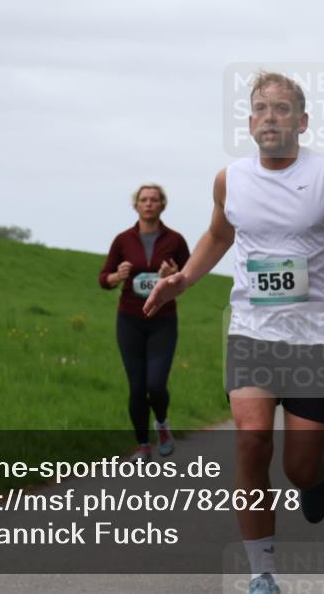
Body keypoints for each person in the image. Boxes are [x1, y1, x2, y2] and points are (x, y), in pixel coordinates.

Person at [143, 72, 324, 594]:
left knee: (299, 468)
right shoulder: (230, 179)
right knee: (252, 442)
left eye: (281, 109)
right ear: (250, 123)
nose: (269, 117)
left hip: (315, 338)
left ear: (302, 121)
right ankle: (262, 573)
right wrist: (183, 279)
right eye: (260, 108)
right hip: (252, 332)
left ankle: (318, 476)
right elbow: (218, 234)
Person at [99, 184, 189, 463]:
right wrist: (117, 276)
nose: (148, 204)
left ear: (163, 205)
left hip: (162, 321)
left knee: (156, 384)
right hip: (130, 321)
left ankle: (161, 425)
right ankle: (141, 445)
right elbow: (104, 279)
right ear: (135, 205)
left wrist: (175, 274)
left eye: (154, 200)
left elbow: (188, 277)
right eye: (143, 200)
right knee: (137, 387)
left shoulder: (174, 240)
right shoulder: (122, 240)